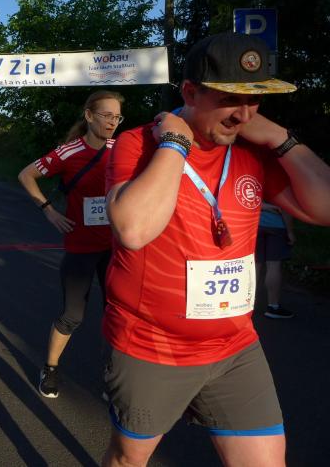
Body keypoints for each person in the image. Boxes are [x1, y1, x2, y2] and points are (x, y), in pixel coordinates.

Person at [101, 32, 330, 466]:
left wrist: (281, 137)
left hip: (235, 348)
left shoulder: (253, 151)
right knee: (128, 459)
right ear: (190, 92)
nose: (244, 114)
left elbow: (324, 207)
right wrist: (175, 144)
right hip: (152, 347)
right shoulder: (140, 143)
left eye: (255, 100)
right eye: (229, 99)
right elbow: (133, 229)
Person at [17, 90, 123, 398]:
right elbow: (26, 175)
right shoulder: (68, 152)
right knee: (73, 315)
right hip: (81, 247)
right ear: (89, 116)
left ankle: (114, 377)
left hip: (115, 247)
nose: (112, 122)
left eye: (117, 117)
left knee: (117, 313)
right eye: (106, 115)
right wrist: (48, 211)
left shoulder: (121, 149)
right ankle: (50, 368)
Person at [256, 203, 296, 319]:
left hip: (255, 225)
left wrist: (263, 206)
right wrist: (290, 232)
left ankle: (248, 304)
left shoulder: (258, 188)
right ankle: (273, 307)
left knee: (255, 265)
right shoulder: (281, 189)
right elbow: (286, 207)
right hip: (277, 226)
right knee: (273, 265)